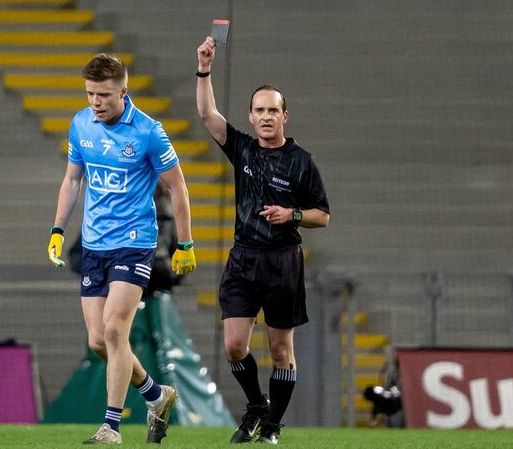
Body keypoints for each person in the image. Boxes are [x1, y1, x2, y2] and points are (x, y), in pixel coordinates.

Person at [47, 53, 197, 445]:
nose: (95, 102)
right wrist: (58, 229)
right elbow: (72, 180)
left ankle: (111, 427)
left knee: (115, 330)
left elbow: (178, 186)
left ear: (123, 92)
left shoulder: (148, 132)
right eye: (90, 94)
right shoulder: (81, 124)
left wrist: (184, 242)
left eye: (104, 95)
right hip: (94, 243)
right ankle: (155, 395)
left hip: (135, 243)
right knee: (98, 341)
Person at [196, 37, 330, 444]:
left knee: (280, 352)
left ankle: (271, 427)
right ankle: (256, 406)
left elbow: (323, 216)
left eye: (274, 110)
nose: (267, 116)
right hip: (243, 258)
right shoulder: (242, 149)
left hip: (283, 260)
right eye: (260, 110)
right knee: (234, 346)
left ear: (285, 116)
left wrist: (293, 214)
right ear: (251, 118)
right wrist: (204, 68)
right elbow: (206, 114)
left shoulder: (301, 161)